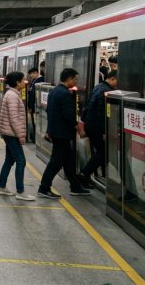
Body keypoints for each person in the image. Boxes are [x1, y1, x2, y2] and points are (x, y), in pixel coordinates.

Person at [38, 68, 91, 199]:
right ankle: (43, 188)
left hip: (56, 132)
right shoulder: (65, 94)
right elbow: (68, 115)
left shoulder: (54, 91)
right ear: (69, 79)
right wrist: (78, 128)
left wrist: (48, 131)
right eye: (75, 79)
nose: (76, 82)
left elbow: (50, 112)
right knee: (55, 162)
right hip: (62, 133)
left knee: (68, 161)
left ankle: (75, 187)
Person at [0, 71, 35, 200]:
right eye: (23, 80)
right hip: (12, 134)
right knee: (21, 161)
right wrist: (21, 135)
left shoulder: (11, 94)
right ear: (18, 82)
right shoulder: (13, 96)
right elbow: (14, 118)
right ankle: (20, 191)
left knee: (9, 160)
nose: (25, 82)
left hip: (9, 132)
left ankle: (1, 187)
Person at [78, 70, 117, 187]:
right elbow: (103, 114)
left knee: (101, 153)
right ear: (112, 79)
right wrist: (105, 131)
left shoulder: (98, 87)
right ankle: (83, 175)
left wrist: (84, 123)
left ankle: (86, 176)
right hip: (97, 129)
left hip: (91, 126)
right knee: (103, 153)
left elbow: (87, 106)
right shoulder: (107, 91)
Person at [26, 67, 43, 132]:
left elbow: (33, 94)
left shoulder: (40, 80)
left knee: (35, 121)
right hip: (33, 105)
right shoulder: (34, 80)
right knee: (33, 120)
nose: (30, 76)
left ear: (36, 73)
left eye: (31, 74)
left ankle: (35, 134)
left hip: (35, 105)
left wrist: (30, 106)